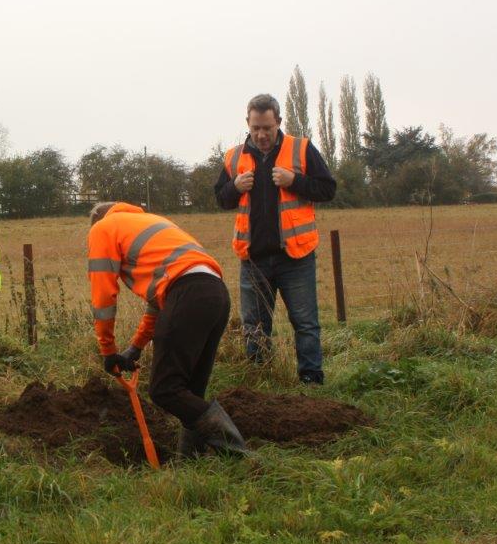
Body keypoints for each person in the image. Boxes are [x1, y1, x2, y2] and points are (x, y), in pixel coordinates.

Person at [87, 202, 247, 457]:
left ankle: (239, 454)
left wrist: (108, 351)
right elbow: (158, 304)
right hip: (215, 294)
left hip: (188, 294)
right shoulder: (149, 222)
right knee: (190, 392)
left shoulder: (102, 228)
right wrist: (135, 349)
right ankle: (191, 461)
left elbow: (104, 297)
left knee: (165, 389)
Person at [214, 94, 336, 384]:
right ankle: (259, 378)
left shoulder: (301, 149)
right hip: (253, 259)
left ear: (278, 122)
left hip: (296, 257)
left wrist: (295, 181)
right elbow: (221, 199)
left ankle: (311, 379)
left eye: (267, 127)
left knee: (305, 324)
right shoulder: (233, 157)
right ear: (248, 123)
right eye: (256, 127)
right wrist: (234, 186)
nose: (261, 134)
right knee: (254, 327)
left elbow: (328, 189)